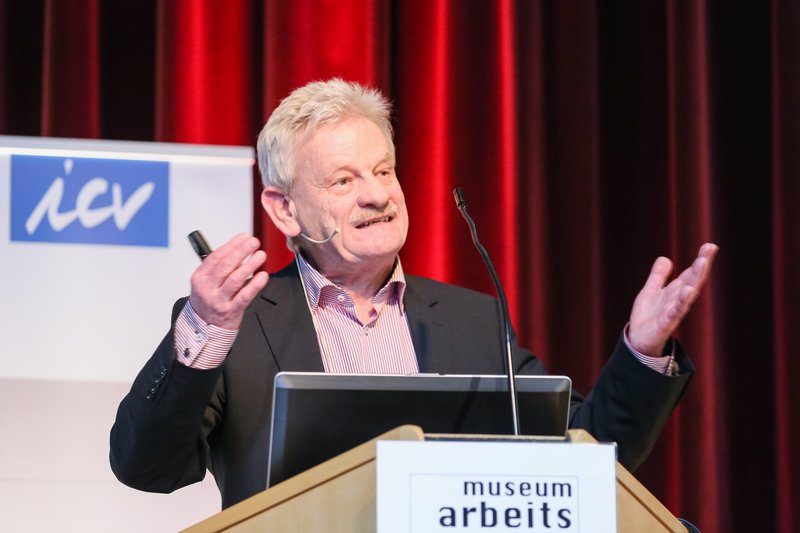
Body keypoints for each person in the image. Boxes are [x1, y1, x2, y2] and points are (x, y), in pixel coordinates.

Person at [110, 78, 718, 510]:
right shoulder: (233, 325)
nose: (377, 194)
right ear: (285, 208)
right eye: (343, 180)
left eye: (383, 170)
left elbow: (584, 455)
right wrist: (206, 329)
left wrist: (642, 350)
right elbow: (147, 467)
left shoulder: (471, 320)